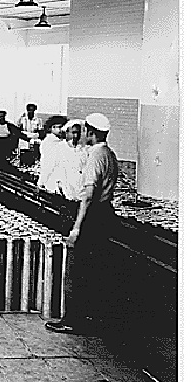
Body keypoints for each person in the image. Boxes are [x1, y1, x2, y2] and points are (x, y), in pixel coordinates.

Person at [46, 113, 119, 335]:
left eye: (85, 130)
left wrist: (77, 227)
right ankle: (91, 318)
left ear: (91, 133)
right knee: (94, 270)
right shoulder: (109, 154)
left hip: (92, 215)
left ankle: (73, 320)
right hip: (105, 214)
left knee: (77, 270)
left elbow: (88, 194)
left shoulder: (95, 155)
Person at [36, 115, 69, 192]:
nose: (62, 130)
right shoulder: (49, 143)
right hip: (52, 181)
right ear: (51, 128)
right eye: (59, 127)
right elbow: (48, 164)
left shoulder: (61, 142)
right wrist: (42, 181)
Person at [58, 119, 89, 200]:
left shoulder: (83, 150)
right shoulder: (62, 147)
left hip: (78, 185)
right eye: (73, 133)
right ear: (68, 133)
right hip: (65, 184)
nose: (76, 136)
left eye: (78, 133)